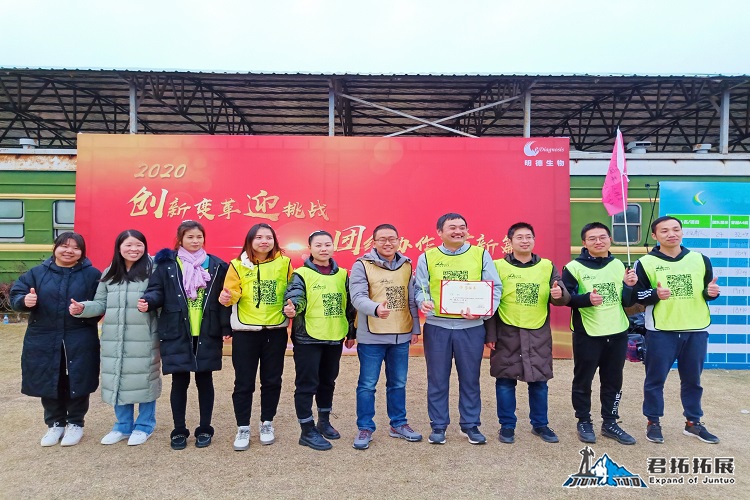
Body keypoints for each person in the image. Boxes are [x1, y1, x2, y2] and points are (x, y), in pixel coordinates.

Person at [139, 220, 230, 450]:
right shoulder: (168, 265)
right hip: (176, 331)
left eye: (199, 237)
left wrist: (225, 327)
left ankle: (204, 429)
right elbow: (156, 291)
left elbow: (224, 300)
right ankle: (179, 430)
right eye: (190, 237)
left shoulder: (217, 265)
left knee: (205, 381)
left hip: (207, 331)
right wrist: (148, 302)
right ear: (180, 239)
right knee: (179, 382)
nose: (195, 241)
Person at [414, 213, 502, 445]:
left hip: (471, 327)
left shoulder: (481, 254)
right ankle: (439, 426)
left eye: (462, 227)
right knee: (437, 379)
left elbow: (495, 288)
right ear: (439, 232)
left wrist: (482, 311)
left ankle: (470, 425)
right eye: (452, 228)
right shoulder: (427, 257)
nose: (458, 231)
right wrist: (422, 301)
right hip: (437, 327)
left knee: (470, 378)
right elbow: (420, 287)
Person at [69, 229, 161, 446]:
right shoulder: (111, 271)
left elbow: (162, 298)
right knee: (117, 378)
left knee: (144, 379)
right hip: (113, 337)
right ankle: (122, 426)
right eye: (128, 245)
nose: (134, 249)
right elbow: (101, 303)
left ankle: (145, 425)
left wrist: (151, 304)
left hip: (144, 336)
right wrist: (83, 308)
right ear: (119, 247)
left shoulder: (153, 268)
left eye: (138, 245)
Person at [634, 216, 721, 444]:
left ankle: (693, 423)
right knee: (655, 380)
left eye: (676, 229)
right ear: (655, 236)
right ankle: (653, 422)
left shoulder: (700, 259)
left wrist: (711, 293)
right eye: (664, 231)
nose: (671, 234)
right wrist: (655, 295)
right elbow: (636, 297)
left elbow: (705, 291)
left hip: (696, 329)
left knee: (693, 380)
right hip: (661, 331)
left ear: (682, 232)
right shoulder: (645, 263)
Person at [10, 232, 101, 447]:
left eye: (76, 248)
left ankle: (76, 423)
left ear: (82, 252)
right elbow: (16, 296)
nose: (69, 251)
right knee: (49, 376)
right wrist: (25, 300)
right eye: (64, 246)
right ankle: (55, 423)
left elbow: (101, 304)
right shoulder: (37, 273)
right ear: (55, 247)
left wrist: (84, 309)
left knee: (77, 378)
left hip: (79, 336)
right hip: (43, 336)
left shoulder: (92, 275)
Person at [484, 222, 570, 445]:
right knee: (504, 381)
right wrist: (490, 335)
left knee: (539, 382)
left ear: (534, 240)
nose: (524, 241)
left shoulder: (547, 266)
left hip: (537, 333)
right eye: (519, 237)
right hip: (506, 332)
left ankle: (540, 424)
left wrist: (559, 293)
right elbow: (490, 301)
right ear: (510, 241)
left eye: (528, 237)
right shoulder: (497, 266)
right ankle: (507, 426)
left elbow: (561, 297)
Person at [561, 222, 638, 445]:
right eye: (592, 238)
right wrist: (587, 299)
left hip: (617, 332)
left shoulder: (619, 265)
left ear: (609, 239)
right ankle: (584, 421)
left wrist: (630, 286)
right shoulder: (573, 267)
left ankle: (610, 422)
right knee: (583, 380)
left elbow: (628, 302)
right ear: (584, 243)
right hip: (588, 333)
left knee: (613, 381)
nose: (598, 241)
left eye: (602, 237)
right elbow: (566, 299)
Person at [219, 223, 292, 450]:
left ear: (274, 241)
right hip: (245, 331)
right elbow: (233, 292)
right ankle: (243, 427)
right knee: (243, 382)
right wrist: (227, 298)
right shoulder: (237, 265)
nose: (264, 241)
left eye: (268, 237)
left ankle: (266, 423)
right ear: (250, 241)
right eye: (258, 237)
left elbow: (292, 291)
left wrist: (293, 305)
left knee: (272, 380)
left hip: (275, 331)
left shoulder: (285, 263)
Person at [349, 224, 422, 450]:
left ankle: (398, 424)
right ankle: (365, 427)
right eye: (382, 239)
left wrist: (416, 328)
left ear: (399, 241)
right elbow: (357, 297)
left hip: (401, 334)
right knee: (367, 385)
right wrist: (375, 309)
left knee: (398, 383)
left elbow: (411, 300)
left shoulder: (407, 265)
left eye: (392, 239)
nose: (387, 243)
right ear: (374, 242)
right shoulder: (361, 265)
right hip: (372, 335)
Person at [283, 230, 355, 451]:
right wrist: (293, 307)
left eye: (328, 244)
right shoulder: (301, 274)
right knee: (306, 384)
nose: (324, 249)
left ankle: (324, 421)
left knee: (328, 382)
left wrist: (351, 332)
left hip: (334, 336)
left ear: (333, 247)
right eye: (319, 245)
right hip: (308, 339)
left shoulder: (343, 274)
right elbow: (296, 295)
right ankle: (307, 430)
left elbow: (349, 304)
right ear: (310, 249)